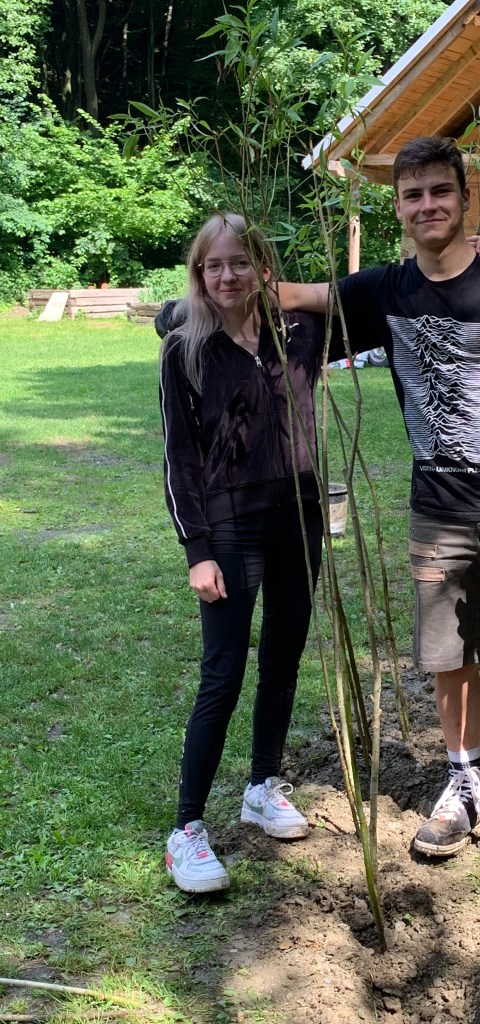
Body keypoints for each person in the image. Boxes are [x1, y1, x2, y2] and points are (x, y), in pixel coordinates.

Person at [279, 135, 480, 858]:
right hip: (438, 512)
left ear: (463, 197)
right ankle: (465, 779)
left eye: (440, 191)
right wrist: (199, 297)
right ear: (398, 207)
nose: (427, 205)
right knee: (448, 656)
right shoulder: (384, 290)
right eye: (413, 195)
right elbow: (294, 296)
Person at [158, 212, 346, 893]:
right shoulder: (186, 349)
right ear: (199, 273)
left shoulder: (298, 333)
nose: (227, 275)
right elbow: (180, 457)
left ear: (264, 267)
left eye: (240, 262)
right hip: (230, 525)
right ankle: (186, 829)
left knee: (282, 659)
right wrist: (197, 550)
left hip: (298, 517)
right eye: (213, 265)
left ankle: (263, 786)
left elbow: (367, 300)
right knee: (224, 673)